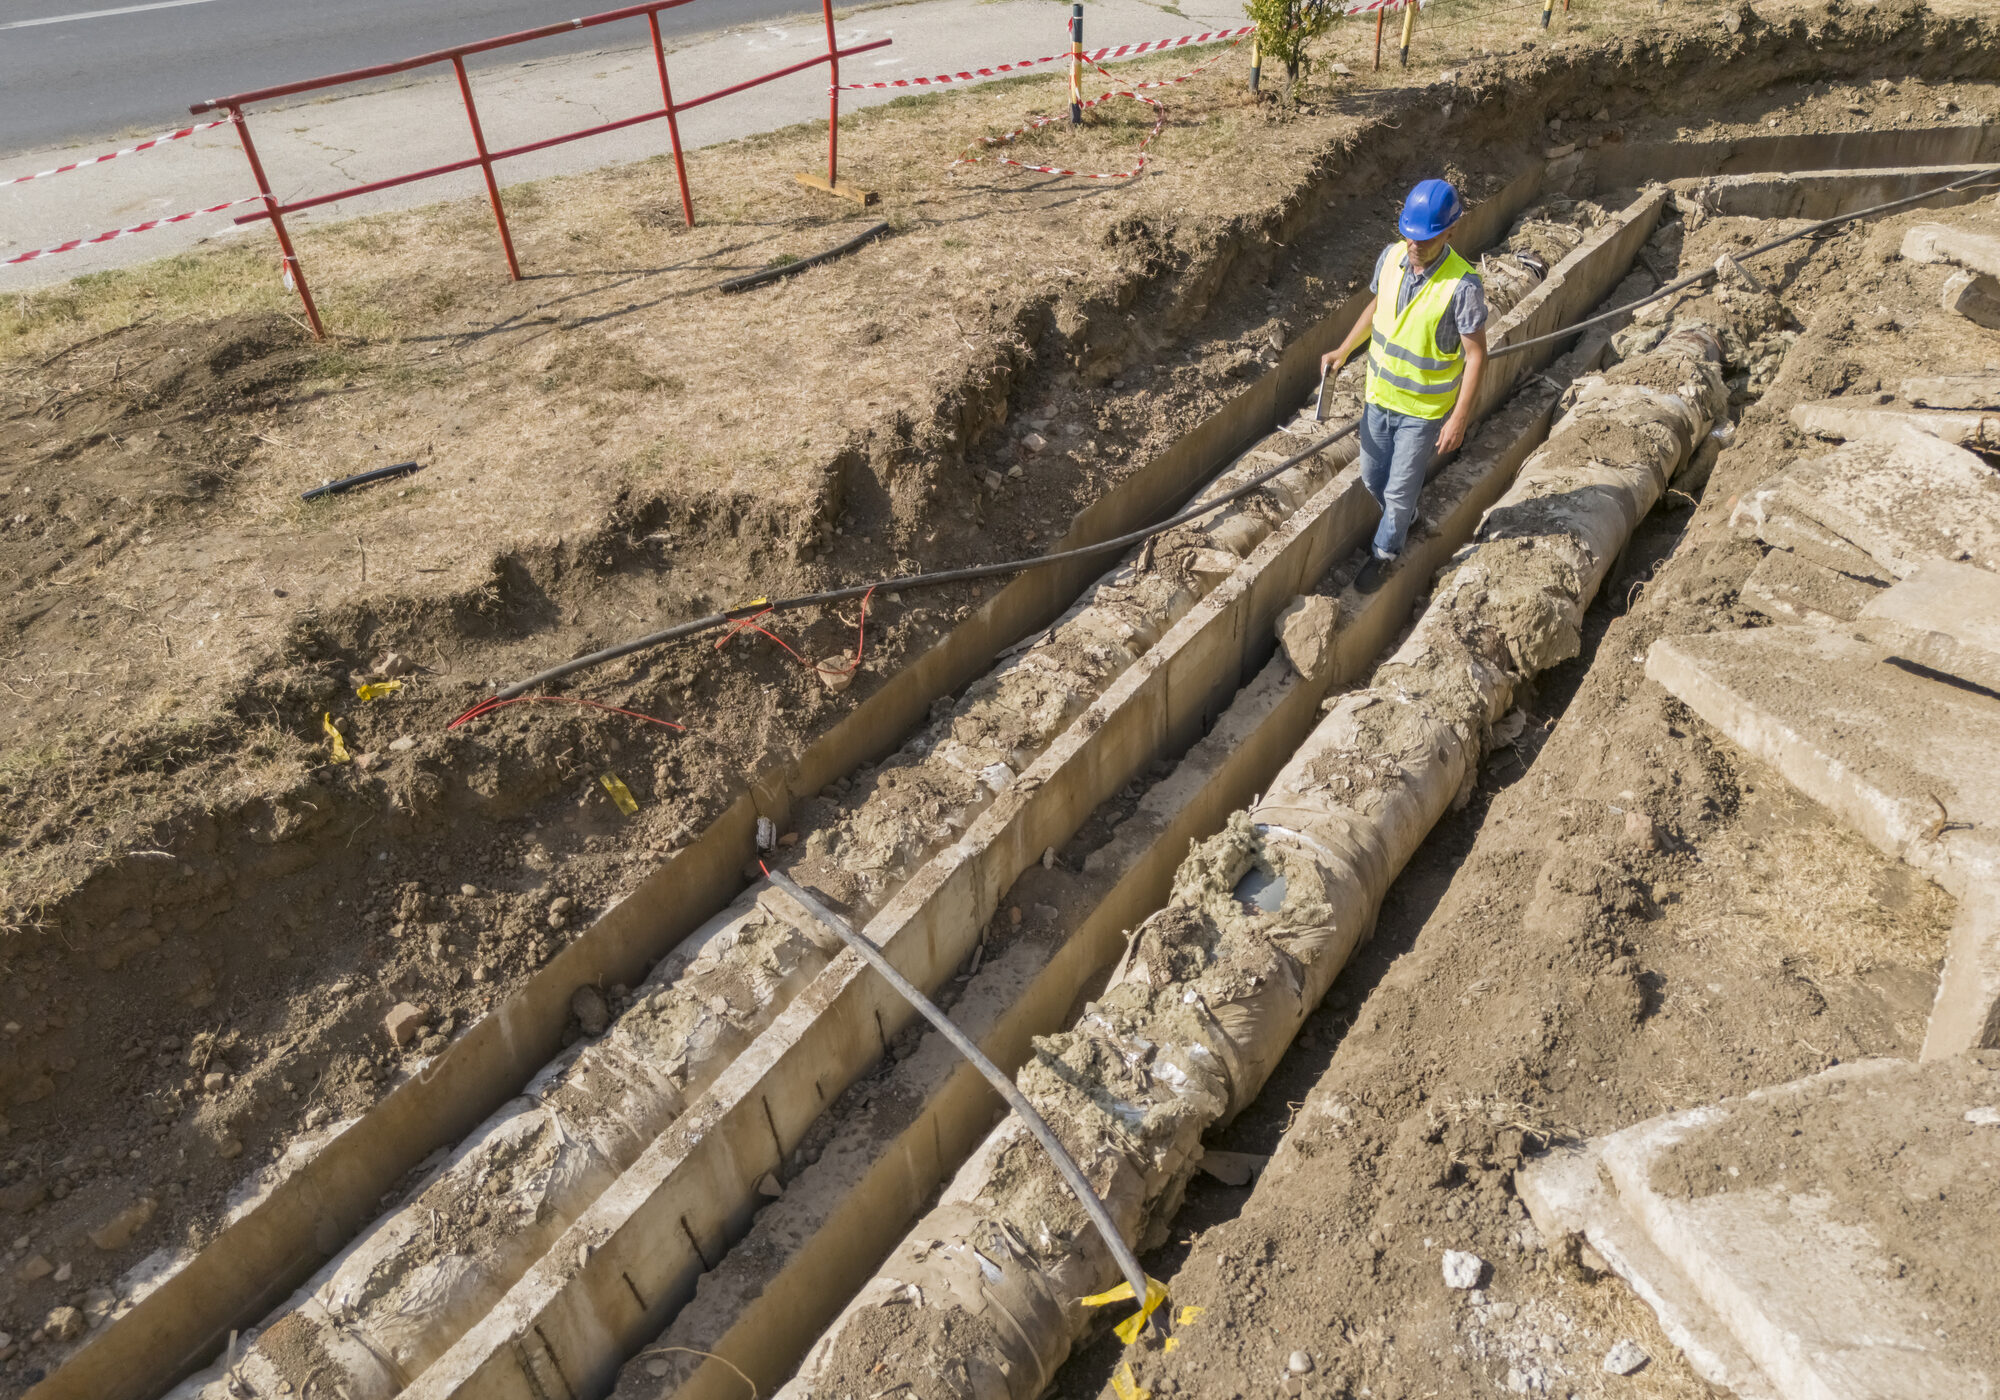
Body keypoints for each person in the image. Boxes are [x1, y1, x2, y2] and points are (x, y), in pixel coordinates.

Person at [1320, 178, 1489, 593]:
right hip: (1378, 399)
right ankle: (1407, 517)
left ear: (1450, 232)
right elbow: (1377, 305)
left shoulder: (1462, 286)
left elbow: (1476, 355)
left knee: (1397, 493)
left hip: (1422, 413)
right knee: (1372, 478)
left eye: (1426, 238)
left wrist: (1459, 419)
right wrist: (1344, 349)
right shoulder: (1391, 257)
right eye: (1410, 234)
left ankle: (1385, 552)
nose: (1415, 244)